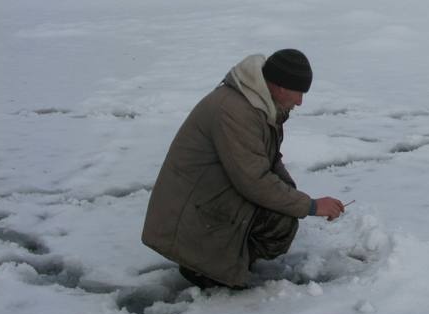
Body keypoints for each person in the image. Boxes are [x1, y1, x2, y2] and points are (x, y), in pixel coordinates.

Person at [142, 49, 346, 289]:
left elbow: (267, 158)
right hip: (193, 207)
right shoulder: (236, 111)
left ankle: (223, 260)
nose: (300, 101)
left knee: (282, 216)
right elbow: (254, 181)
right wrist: (310, 206)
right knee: (280, 222)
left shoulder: (260, 103)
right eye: (298, 92)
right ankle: (206, 268)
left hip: (211, 194)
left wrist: (291, 194)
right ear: (280, 86)